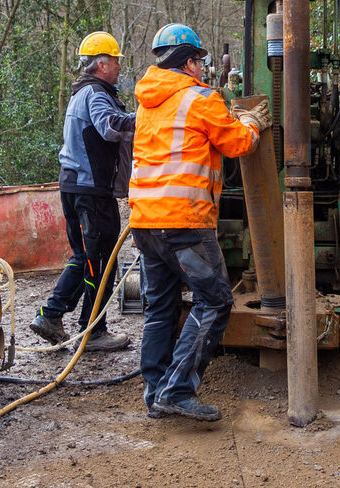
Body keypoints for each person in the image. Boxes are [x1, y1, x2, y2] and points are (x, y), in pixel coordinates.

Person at [129, 23, 271, 421]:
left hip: (145, 222)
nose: (203, 69)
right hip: (183, 222)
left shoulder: (147, 103)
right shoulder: (199, 98)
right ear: (190, 63)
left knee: (160, 307)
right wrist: (253, 122)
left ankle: (155, 390)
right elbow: (238, 143)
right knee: (215, 300)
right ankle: (176, 390)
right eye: (201, 61)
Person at [30, 31, 137, 353]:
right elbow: (112, 126)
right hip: (91, 191)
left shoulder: (82, 93)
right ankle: (92, 330)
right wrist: (150, 116)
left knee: (86, 257)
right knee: (101, 262)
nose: (120, 67)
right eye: (116, 61)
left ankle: (53, 316)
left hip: (75, 187)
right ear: (102, 64)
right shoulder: (96, 94)